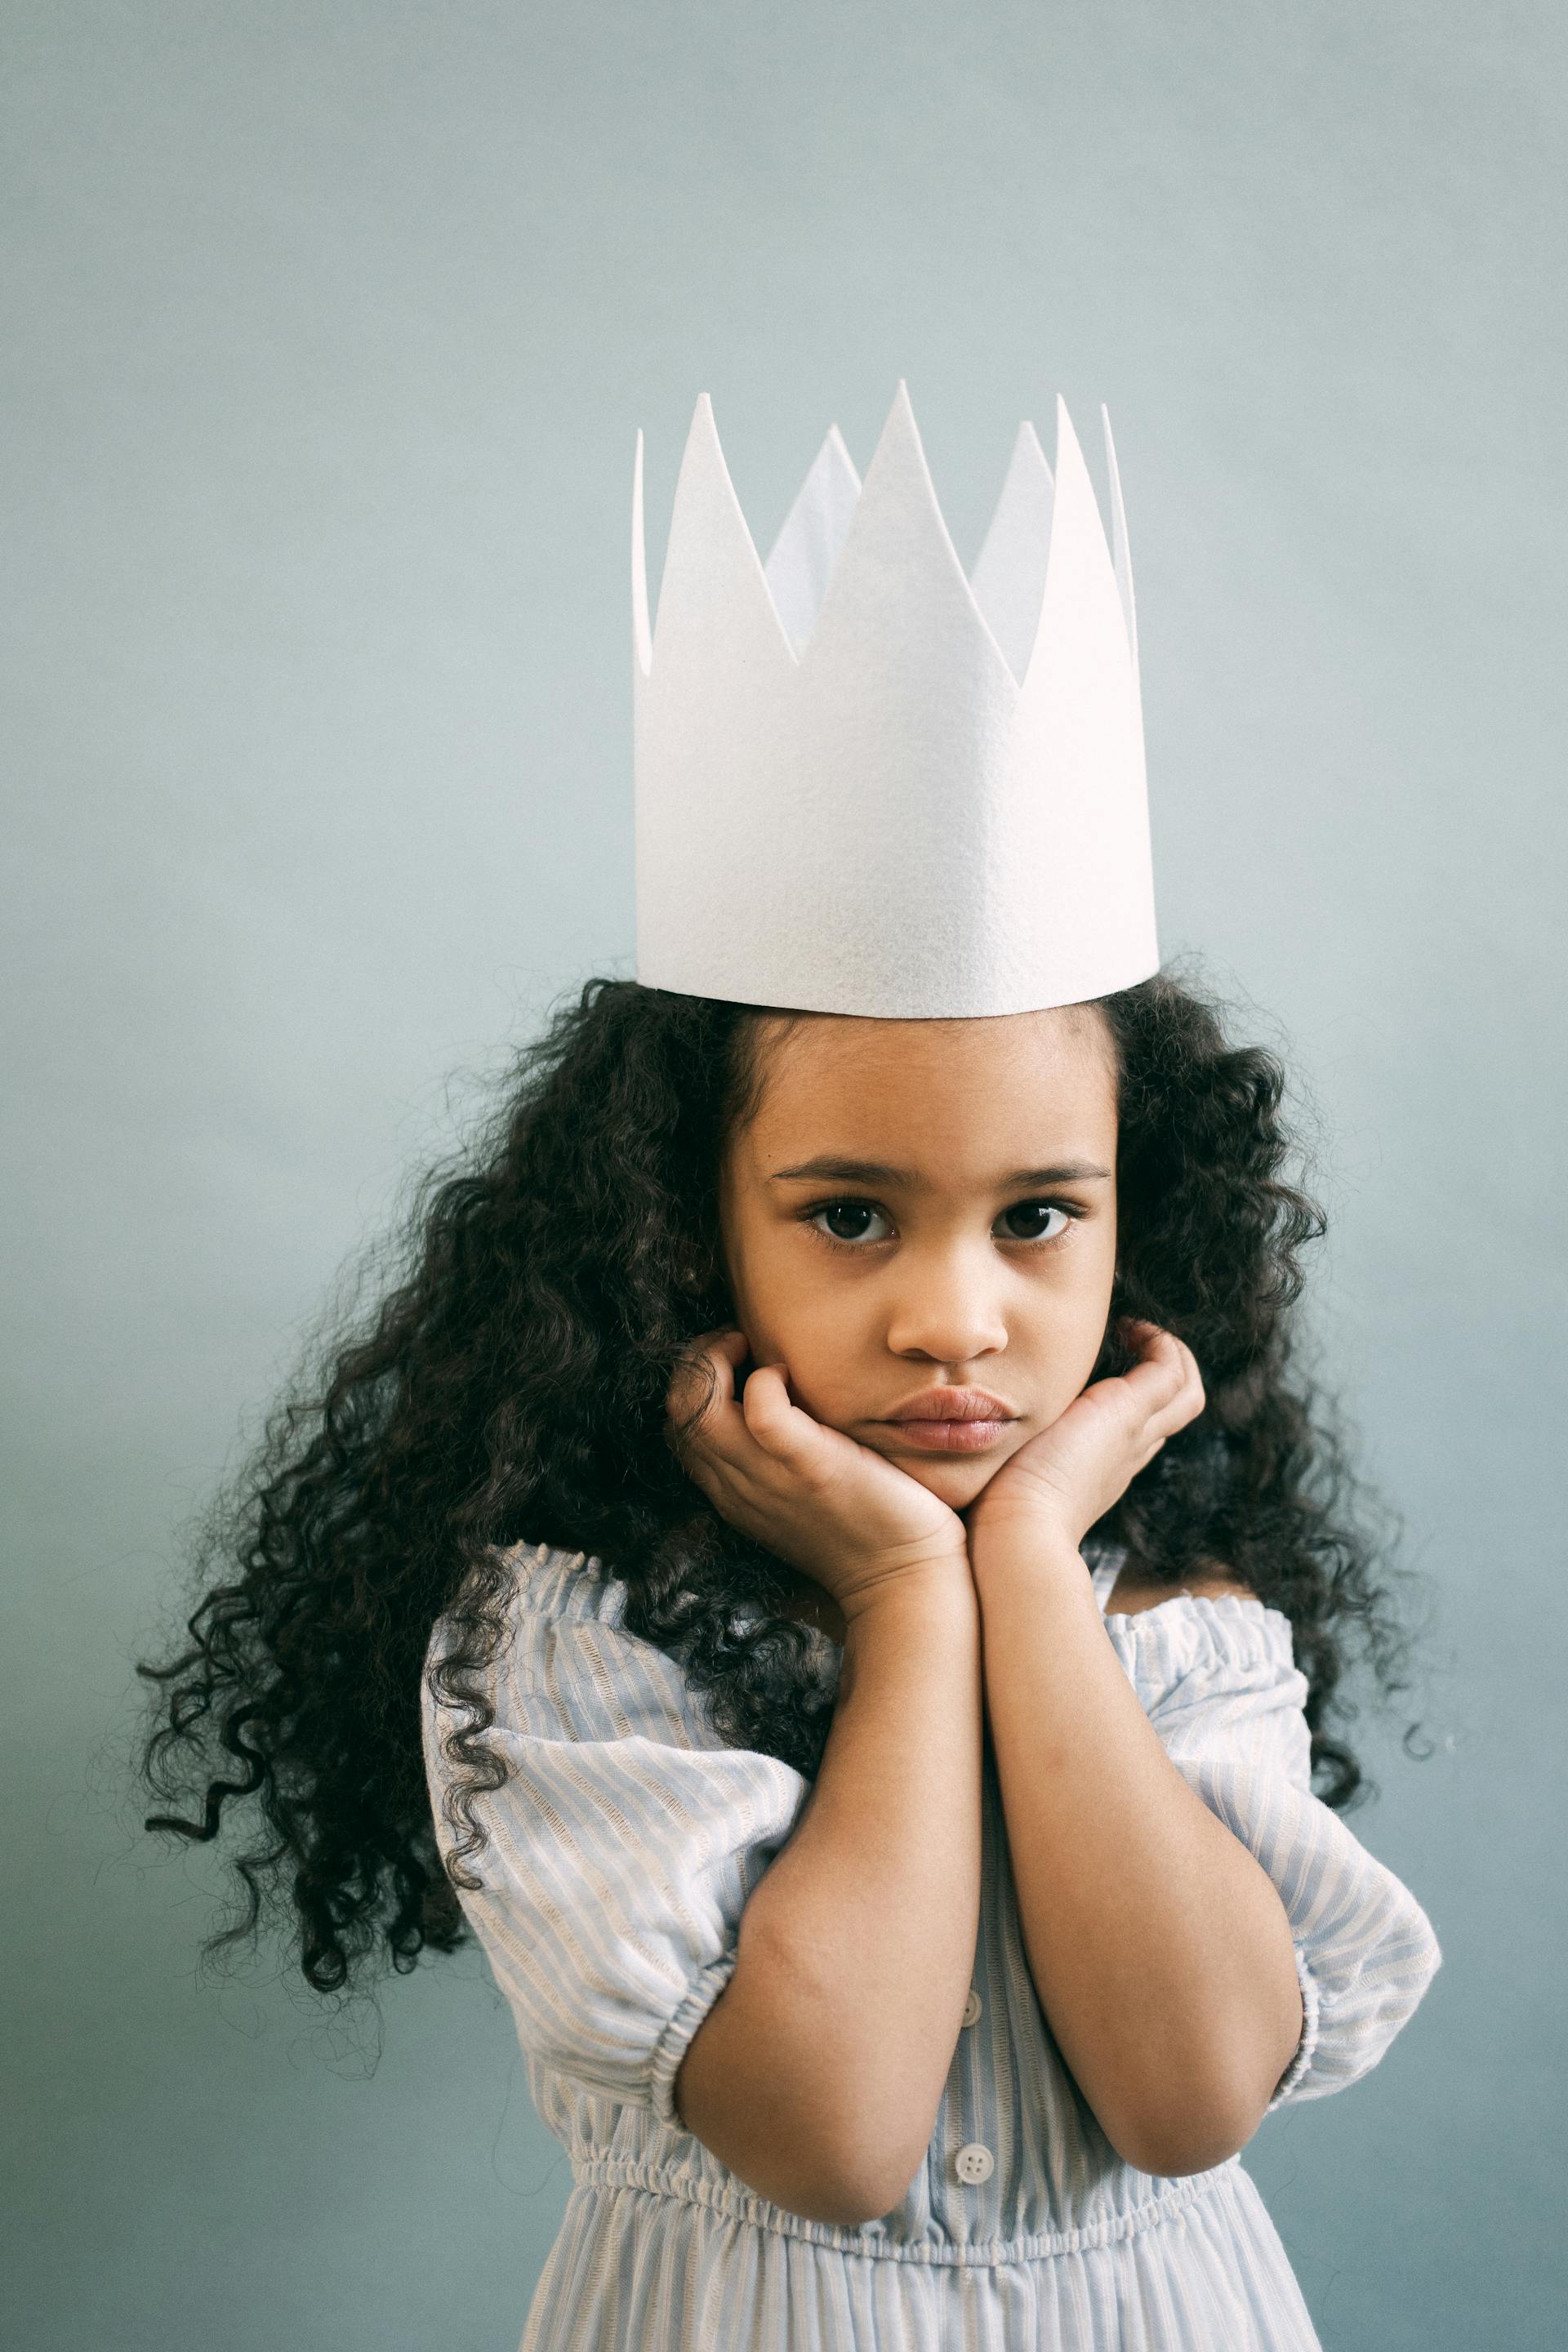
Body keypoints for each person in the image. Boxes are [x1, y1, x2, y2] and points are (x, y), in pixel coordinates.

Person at [139, 385, 1442, 2350]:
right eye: (849, 1216)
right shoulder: (576, 1649)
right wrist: (913, 1598)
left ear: (1132, 1221)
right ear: (686, 1225)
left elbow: (1188, 2103)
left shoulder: (1171, 1618)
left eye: (1036, 1219)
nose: (954, 1317)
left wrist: (1024, 1579)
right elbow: (830, 2136)